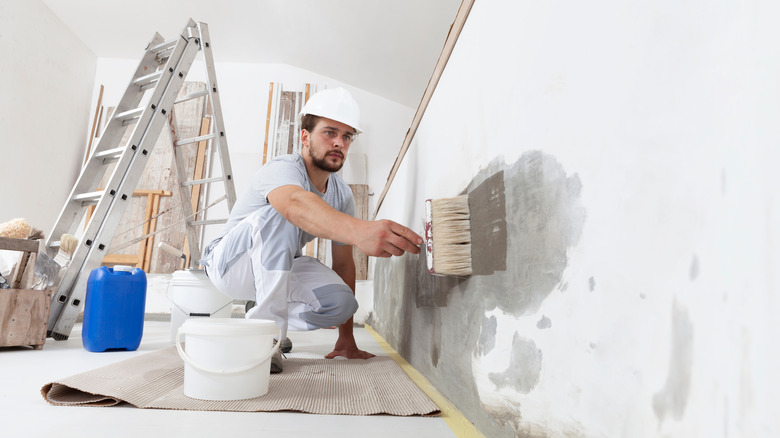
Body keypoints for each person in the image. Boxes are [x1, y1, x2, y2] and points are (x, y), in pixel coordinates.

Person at [200, 87, 422, 373]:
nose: (339, 143)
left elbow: (343, 264)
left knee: (341, 303)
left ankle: (262, 315)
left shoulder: (341, 195)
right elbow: (294, 204)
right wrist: (359, 231)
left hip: (276, 270)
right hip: (229, 266)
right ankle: (265, 338)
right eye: (329, 133)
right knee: (280, 214)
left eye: (346, 136)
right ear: (305, 137)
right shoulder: (283, 169)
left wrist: (346, 338)